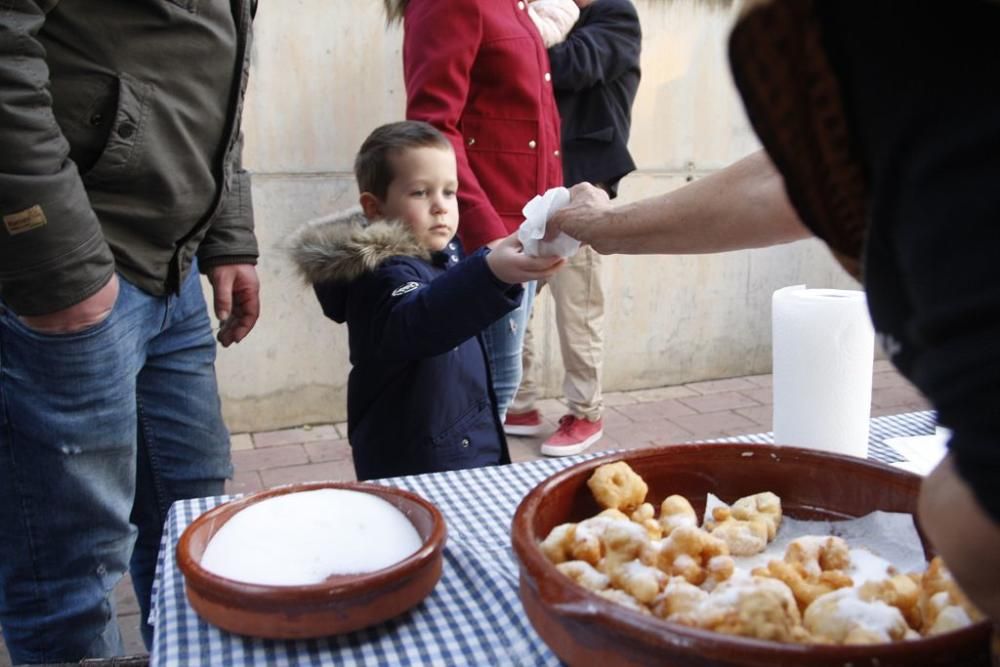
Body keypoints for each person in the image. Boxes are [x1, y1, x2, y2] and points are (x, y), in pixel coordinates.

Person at [548, 1, 1000, 622]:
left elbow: (984, 528)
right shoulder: (887, 66)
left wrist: (953, 505)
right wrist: (608, 226)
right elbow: (794, 181)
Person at [0, 1, 261, 662]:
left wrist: (227, 233)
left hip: (169, 267)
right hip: (78, 269)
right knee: (68, 573)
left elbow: (219, 72)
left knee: (194, 525)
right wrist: (57, 257)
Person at [290, 121, 562, 481]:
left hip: (458, 442)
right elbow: (419, 319)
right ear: (375, 207)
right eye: (420, 192)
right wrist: (490, 272)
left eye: (449, 192)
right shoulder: (383, 273)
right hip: (418, 462)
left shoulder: (440, 254)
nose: (440, 207)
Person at [386, 0, 565, 422]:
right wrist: (485, 231)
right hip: (487, 238)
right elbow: (434, 126)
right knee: (483, 399)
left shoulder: (512, 5)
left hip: (518, 232)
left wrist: (548, 218)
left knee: (494, 394)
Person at [507, 0, 642, 457]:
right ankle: (519, 405)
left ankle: (587, 413)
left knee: (578, 310)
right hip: (530, 183)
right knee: (514, 302)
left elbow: (571, 66)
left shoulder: (615, 16)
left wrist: (516, 38)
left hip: (581, 187)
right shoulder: (541, 17)